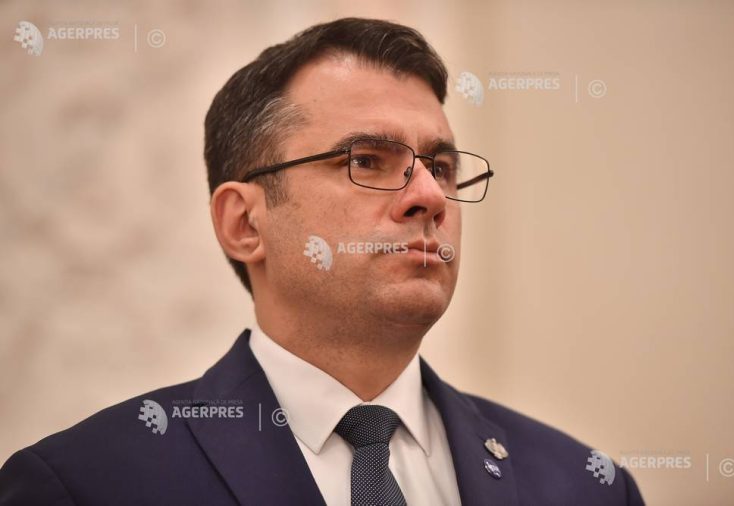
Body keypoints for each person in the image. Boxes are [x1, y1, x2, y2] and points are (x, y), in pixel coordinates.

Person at [0, 17, 644, 505]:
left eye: (442, 168)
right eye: (366, 160)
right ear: (244, 223)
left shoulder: (585, 487)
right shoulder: (88, 485)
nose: (428, 196)